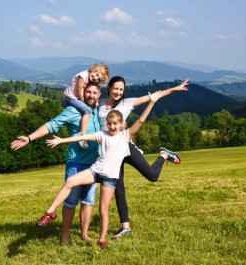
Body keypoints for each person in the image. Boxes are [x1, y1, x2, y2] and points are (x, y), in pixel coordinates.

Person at [35, 91, 163, 249]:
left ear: (121, 124)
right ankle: (50, 212)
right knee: (70, 181)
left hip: (110, 178)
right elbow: (80, 137)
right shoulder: (102, 134)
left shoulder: (125, 136)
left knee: (103, 210)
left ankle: (102, 239)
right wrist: (62, 140)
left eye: (115, 124)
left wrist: (152, 101)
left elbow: (141, 120)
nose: (112, 127)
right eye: (109, 124)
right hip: (95, 171)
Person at [98, 76, 190, 239]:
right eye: (116, 88)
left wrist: (175, 89)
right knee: (119, 189)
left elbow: (155, 96)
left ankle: (163, 155)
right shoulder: (100, 102)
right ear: (109, 88)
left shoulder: (127, 103)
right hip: (110, 153)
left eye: (121, 89)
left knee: (152, 176)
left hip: (126, 147)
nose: (118, 92)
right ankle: (125, 227)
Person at [10, 83, 102, 245]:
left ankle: (85, 234)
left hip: (94, 164)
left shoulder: (100, 111)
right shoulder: (74, 111)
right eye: (88, 92)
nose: (91, 95)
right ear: (82, 93)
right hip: (76, 163)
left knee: (88, 201)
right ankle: (65, 237)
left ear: (99, 94)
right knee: (71, 202)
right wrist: (30, 138)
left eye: (94, 92)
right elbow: (51, 125)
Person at [64, 63, 110, 149]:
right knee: (87, 110)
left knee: (92, 107)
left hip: (75, 99)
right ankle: (82, 135)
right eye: (96, 74)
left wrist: (95, 102)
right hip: (71, 98)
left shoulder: (90, 77)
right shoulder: (83, 76)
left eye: (98, 79)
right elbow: (79, 92)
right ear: (93, 69)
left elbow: (96, 86)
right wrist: (85, 103)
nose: (95, 78)